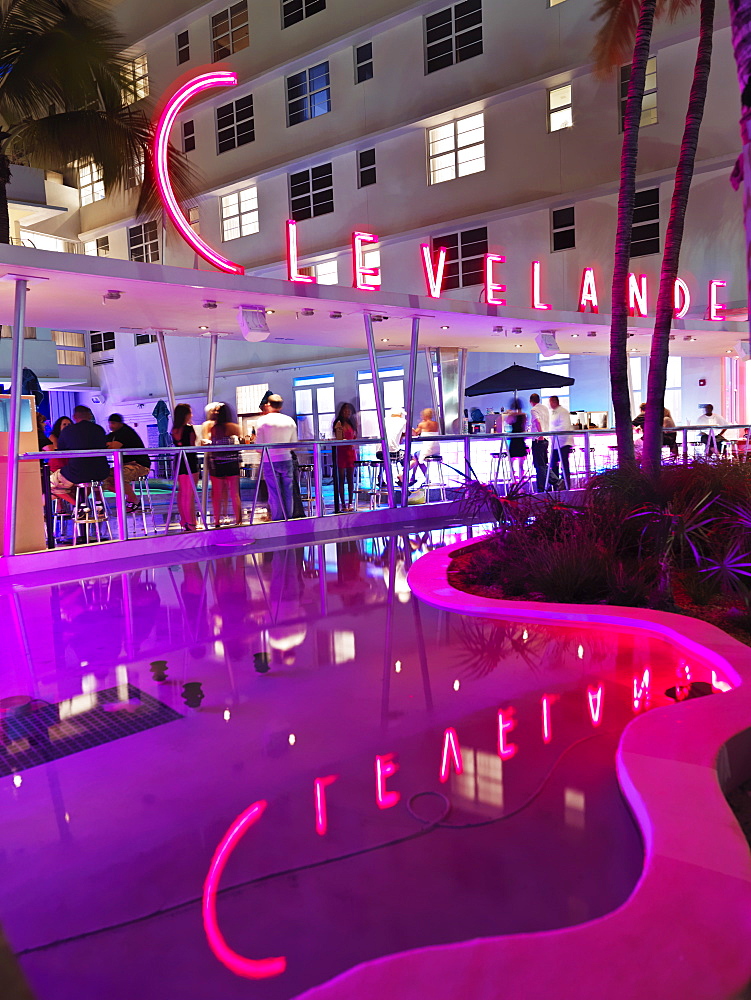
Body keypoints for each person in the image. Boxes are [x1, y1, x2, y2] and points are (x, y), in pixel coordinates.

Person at [51, 405, 111, 506]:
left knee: (51, 484)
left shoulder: (68, 431)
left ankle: (78, 506)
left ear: (74, 416)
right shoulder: (99, 429)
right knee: (89, 482)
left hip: (77, 472)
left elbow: (61, 451)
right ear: (89, 416)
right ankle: (94, 505)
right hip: (102, 472)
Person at [255, 394, 298, 521]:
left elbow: (259, 447)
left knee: (274, 493)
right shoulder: (289, 420)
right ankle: (288, 519)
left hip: (270, 460)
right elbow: (294, 444)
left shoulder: (262, 421)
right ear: (281, 405)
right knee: (288, 492)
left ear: (268, 405)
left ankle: (277, 520)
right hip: (286, 459)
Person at [205, 402, 243, 526]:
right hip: (232, 462)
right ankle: (238, 520)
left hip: (217, 463)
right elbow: (241, 442)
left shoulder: (214, 428)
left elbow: (212, 444)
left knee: (217, 495)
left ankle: (216, 521)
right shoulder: (235, 427)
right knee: (234, 493)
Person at [103, 413, 151, 511]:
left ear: (119, 423)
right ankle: (129, 495)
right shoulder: (114, 434)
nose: (111, 426)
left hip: (139, 465)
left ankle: (133, 499)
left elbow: (113, 447)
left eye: (113, 423)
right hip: (125, 465)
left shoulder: (125, 432)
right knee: (103, 477)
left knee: (119, 475)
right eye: (110, 423)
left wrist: (105, 444)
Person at [171, 403, 199, 531]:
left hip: (178, 460)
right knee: (190, 494)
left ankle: (184, 521)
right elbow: (192, 447)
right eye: (190, 412)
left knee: (182, 493)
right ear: (186, 415)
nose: (191, 415)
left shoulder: (174, 430)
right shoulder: (188, 429)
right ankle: (192, 522)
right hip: (190, 461)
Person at [333, 402, 357, 510]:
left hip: (351, 453)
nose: (347, 412)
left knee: (351, 479)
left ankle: (350, 503)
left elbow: (355, 437)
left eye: (349, 411)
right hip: (342, 452)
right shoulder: (338, 423)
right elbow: (338, 438)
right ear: (341, 411)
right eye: (345, 410)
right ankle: (342, 503)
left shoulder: (352, 424)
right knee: (341, 479)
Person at [409, 408, 440, 485]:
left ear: (424, 415)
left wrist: (410, 428)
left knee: (415, 456)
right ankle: (414, 477)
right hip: (436, 448)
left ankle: (419, 477)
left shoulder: (422, 424)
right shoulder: (436, 423)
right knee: (417, 455)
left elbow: (415, 433)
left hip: (428, 449)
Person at [548, 395, 574, 489]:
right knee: (554, 464)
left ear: (554, 402)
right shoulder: (554, 413)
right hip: (556, 443)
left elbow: (565, 427)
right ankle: (557, 485)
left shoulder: (563, 412)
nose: (549, 404)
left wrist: (552, 431)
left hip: (564, 442)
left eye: (550, 402)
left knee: (563, 465)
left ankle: (566, 485)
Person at [504, 397, 528, 482]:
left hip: (514, 439)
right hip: (521, 439)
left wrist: (509, 412)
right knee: (521, 465)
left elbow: (507, 421)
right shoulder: (524, 415)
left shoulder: (512, 415)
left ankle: (513, 482)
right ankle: (521, 483)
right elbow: (525, 426)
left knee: (511, 463)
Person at [529, 393, 549, 492]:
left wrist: (540, 434)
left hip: (538, 439)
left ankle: (542, 488)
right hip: (546, 439)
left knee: (539, 465)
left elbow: (537, 421)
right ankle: (549, 484)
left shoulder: (534, 410)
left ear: (531, 401)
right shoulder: (545, 408)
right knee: (543, 464)